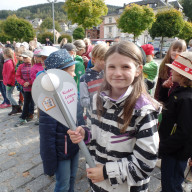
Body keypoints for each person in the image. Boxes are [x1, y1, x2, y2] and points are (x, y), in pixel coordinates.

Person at [68, 41, 161, 192]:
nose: (117, 73)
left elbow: (146, 163)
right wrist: (85, 133)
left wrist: (105, 172)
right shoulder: (96, 100)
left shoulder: (143, 111)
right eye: (112, 66)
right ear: (104, 68)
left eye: (125, 67)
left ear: (138, 70)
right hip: (98, 185)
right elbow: (95, 133)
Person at [39, 49, 79, 192]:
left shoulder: (70, 91)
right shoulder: (48, 101)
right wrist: (49, 162)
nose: (74, 74)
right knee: (63, 184)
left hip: (74, 146)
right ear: (58, 75)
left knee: (72, 178)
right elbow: (46, 135)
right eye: (71, 71)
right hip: (61, 153)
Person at [158, 52, 192, 192]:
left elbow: (184, 131)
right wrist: (164, 89)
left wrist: (164, 146)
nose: (171, 70)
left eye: (174, 69)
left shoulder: (186, 99)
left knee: (171, 184)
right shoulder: (179, 91)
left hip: (175, 151)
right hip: (171, 148)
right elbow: (167, 106)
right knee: (168, 181)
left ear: (183, 75)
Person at [80, 43, 108, 126]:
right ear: (94, 59)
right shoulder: (85, 78)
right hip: (93, 118)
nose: (107, 62)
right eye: (103, 59)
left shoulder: (108, 74)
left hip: (108, 117)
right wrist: (101, 101)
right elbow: (83, 101)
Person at [154, 39, 186, 104]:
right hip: (163, 99)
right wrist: (156, 99)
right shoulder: (164, 65)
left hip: (177, 101)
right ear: (169, 51)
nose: (176, 53)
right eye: (174, 50)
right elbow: (159, 84)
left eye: (179, 51)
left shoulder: (185, 68)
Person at [62, 43, 85, 126]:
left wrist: (80, 93)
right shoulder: (64, 62)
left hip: (76, 92)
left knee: (78, 114)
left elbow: (81, 78)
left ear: (72, 52)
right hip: (67, 92)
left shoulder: (78, 63)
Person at [15, 50, 34, 126]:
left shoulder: (34, 66)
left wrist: (30, 82)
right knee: (26, 102)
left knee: (32, 102)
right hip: (26, 88)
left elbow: (35, 76)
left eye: (26, 57)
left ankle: (31, 114)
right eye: (23, 57)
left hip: (34, 87)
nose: (24, 59)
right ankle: (24, 116)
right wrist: (23, 83)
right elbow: (17, 76)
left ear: (31, 57)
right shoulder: (21, 66)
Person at [2, 48, 21, 115]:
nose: (3, 55)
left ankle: (17, 107)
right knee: (9, 95)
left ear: (6, 54)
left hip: (9, 82)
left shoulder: (9, 62)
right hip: (7, 81)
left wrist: (9, 82)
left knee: (9, 95)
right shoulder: (7, 62)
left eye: (3, 54)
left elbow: (10, 74)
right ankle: (15, 108)